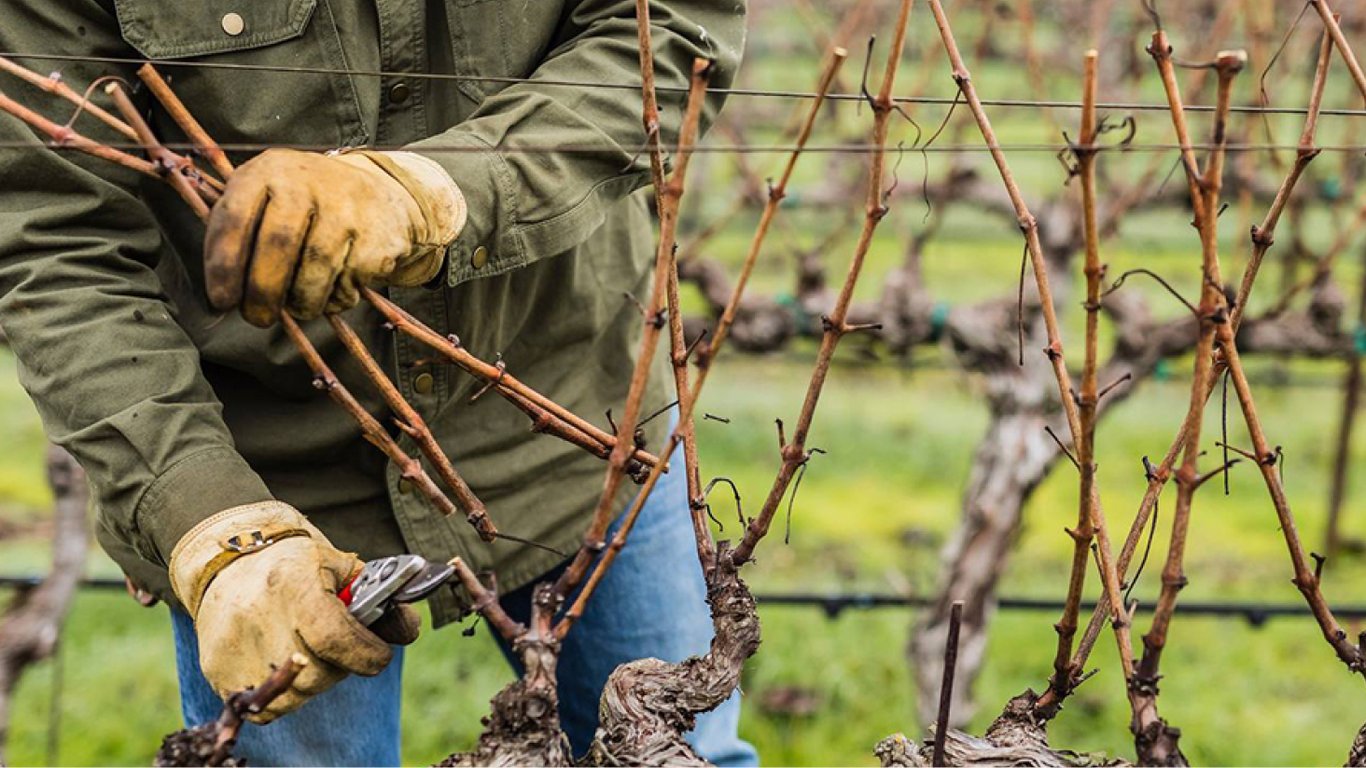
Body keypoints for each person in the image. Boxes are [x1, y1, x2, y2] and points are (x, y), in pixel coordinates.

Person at [0, 0, 753, 765]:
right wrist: (206, 518)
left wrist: (436, 189)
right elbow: (57, 236)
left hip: (576, 419)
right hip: (269, 479)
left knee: (678, 751)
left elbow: (668, 29)